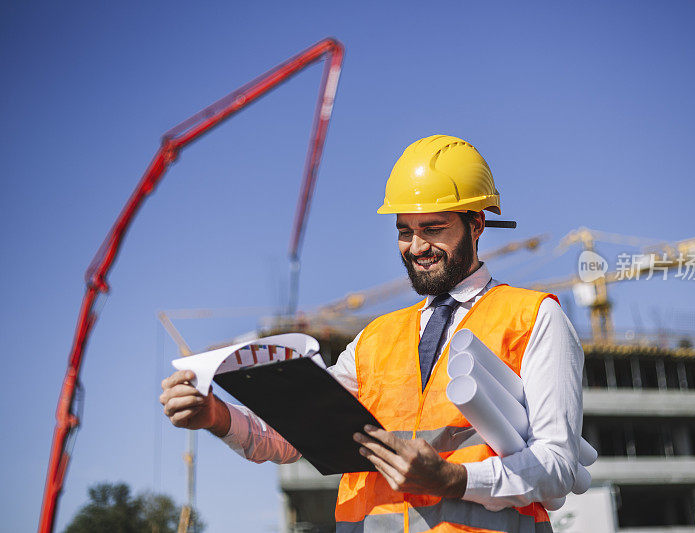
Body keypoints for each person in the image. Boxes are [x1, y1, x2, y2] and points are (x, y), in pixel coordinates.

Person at [159, 134, 584, 532]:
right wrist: (215, 417)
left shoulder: (533, 317)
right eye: (405, 231)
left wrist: (451, 478)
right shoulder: (374, 340)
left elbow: (557, 466)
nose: (416, 247)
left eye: (433, 228)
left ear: (476, 225)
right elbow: (289, 438)